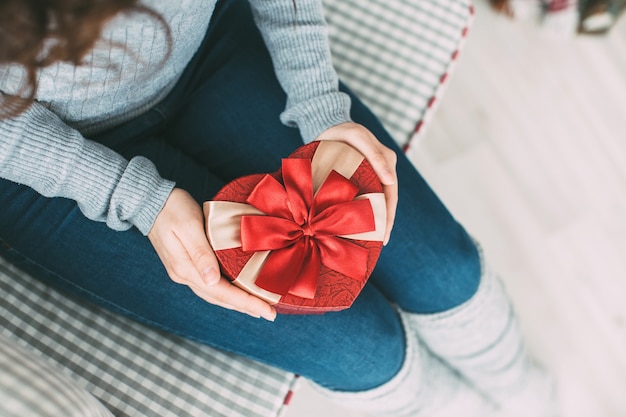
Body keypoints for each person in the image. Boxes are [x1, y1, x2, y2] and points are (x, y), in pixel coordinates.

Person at [0, 1, 556, 416]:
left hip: (205, 50)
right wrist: (133, 198)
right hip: (36, 150)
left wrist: (318, 100)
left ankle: (523, 392)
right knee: (362, 350)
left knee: (444, 270)